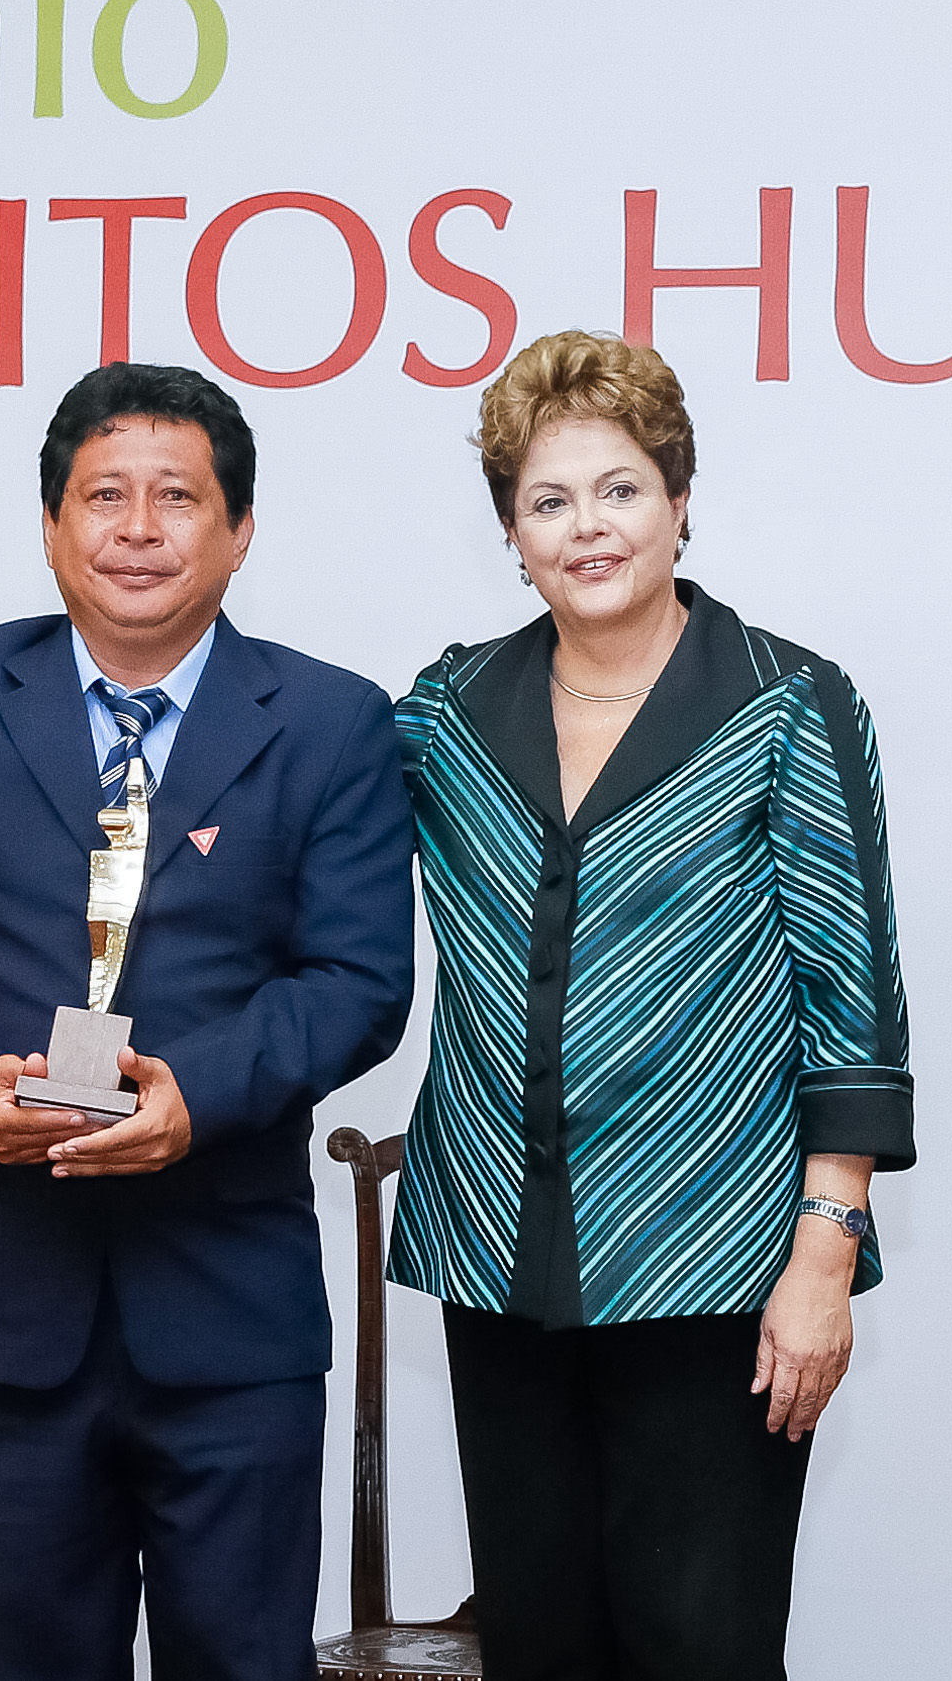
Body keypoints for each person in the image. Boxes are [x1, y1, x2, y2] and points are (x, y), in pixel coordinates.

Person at [0, 363, 415, 1681]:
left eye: (177, 497)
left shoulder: (330, 721)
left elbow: (357, 979)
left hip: (230, 1314)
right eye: (103, 496)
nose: (137, 528)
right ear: (51, 526)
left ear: (239, 530)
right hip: (9, 1305)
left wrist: (192, 1096)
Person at [383, 331, 917, 1681]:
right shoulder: (445, 709)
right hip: (495, 1248)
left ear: (680, 499)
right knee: (539, 1646)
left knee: (702, 1645)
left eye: (619, 489)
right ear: (511, 533)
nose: (588, 527)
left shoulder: (787, 702)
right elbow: (294, 851)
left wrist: (825, 1252)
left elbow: (851, 995)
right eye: (548, 500)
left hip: (716, 1263)